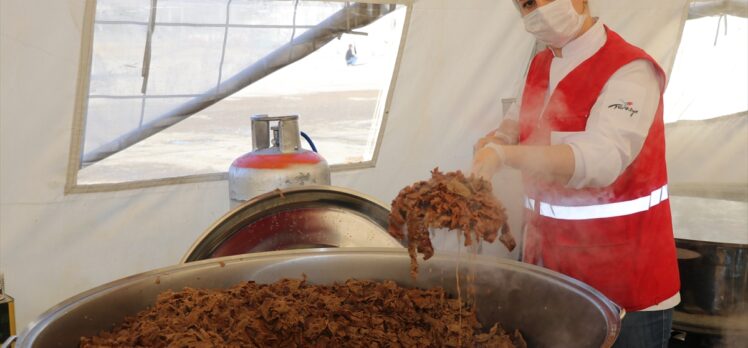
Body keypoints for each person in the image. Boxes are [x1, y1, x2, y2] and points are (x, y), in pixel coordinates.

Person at [472, 1, 680, 347]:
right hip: (553, 275)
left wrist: (505, 156)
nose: (534, 10)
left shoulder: (631, 69)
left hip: (626, 288)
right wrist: (497, 139)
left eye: (542, 1)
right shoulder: (540, 63)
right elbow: (519, 123)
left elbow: (601, 160)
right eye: (525, 4)